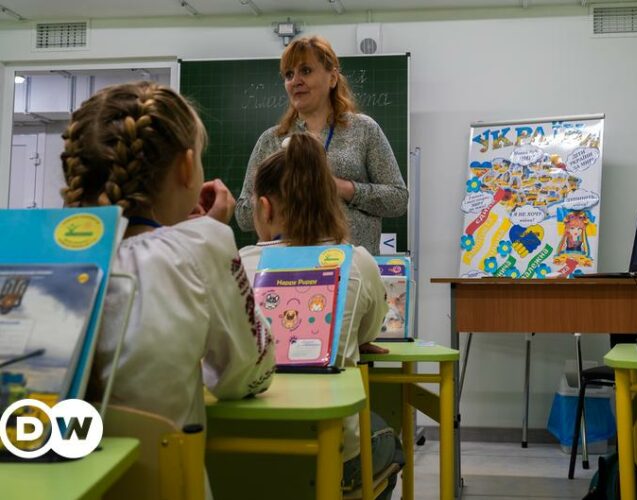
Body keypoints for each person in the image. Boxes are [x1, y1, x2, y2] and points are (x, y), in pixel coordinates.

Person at [61, 82, 276, 434]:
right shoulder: (202, 244)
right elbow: (250, 374)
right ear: (187, 167)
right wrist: (207, 239)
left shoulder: (39, 258)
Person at [239, 132, 403, 499]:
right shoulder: (357, 261)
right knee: (389, 439)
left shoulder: (237, 264)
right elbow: (368, 331)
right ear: (331, 204)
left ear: (264, 208)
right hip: (330, 457)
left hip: (240, 452)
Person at [235, 35, 408, 256]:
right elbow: (243, 215)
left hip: (352, 270)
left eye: (305, 71)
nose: (295, 80)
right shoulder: (271, 140)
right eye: (289, 74)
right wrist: (288, 193)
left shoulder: (364, 130)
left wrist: (342, 188)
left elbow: (398, 200)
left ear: (333, 78)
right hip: (288, 273)